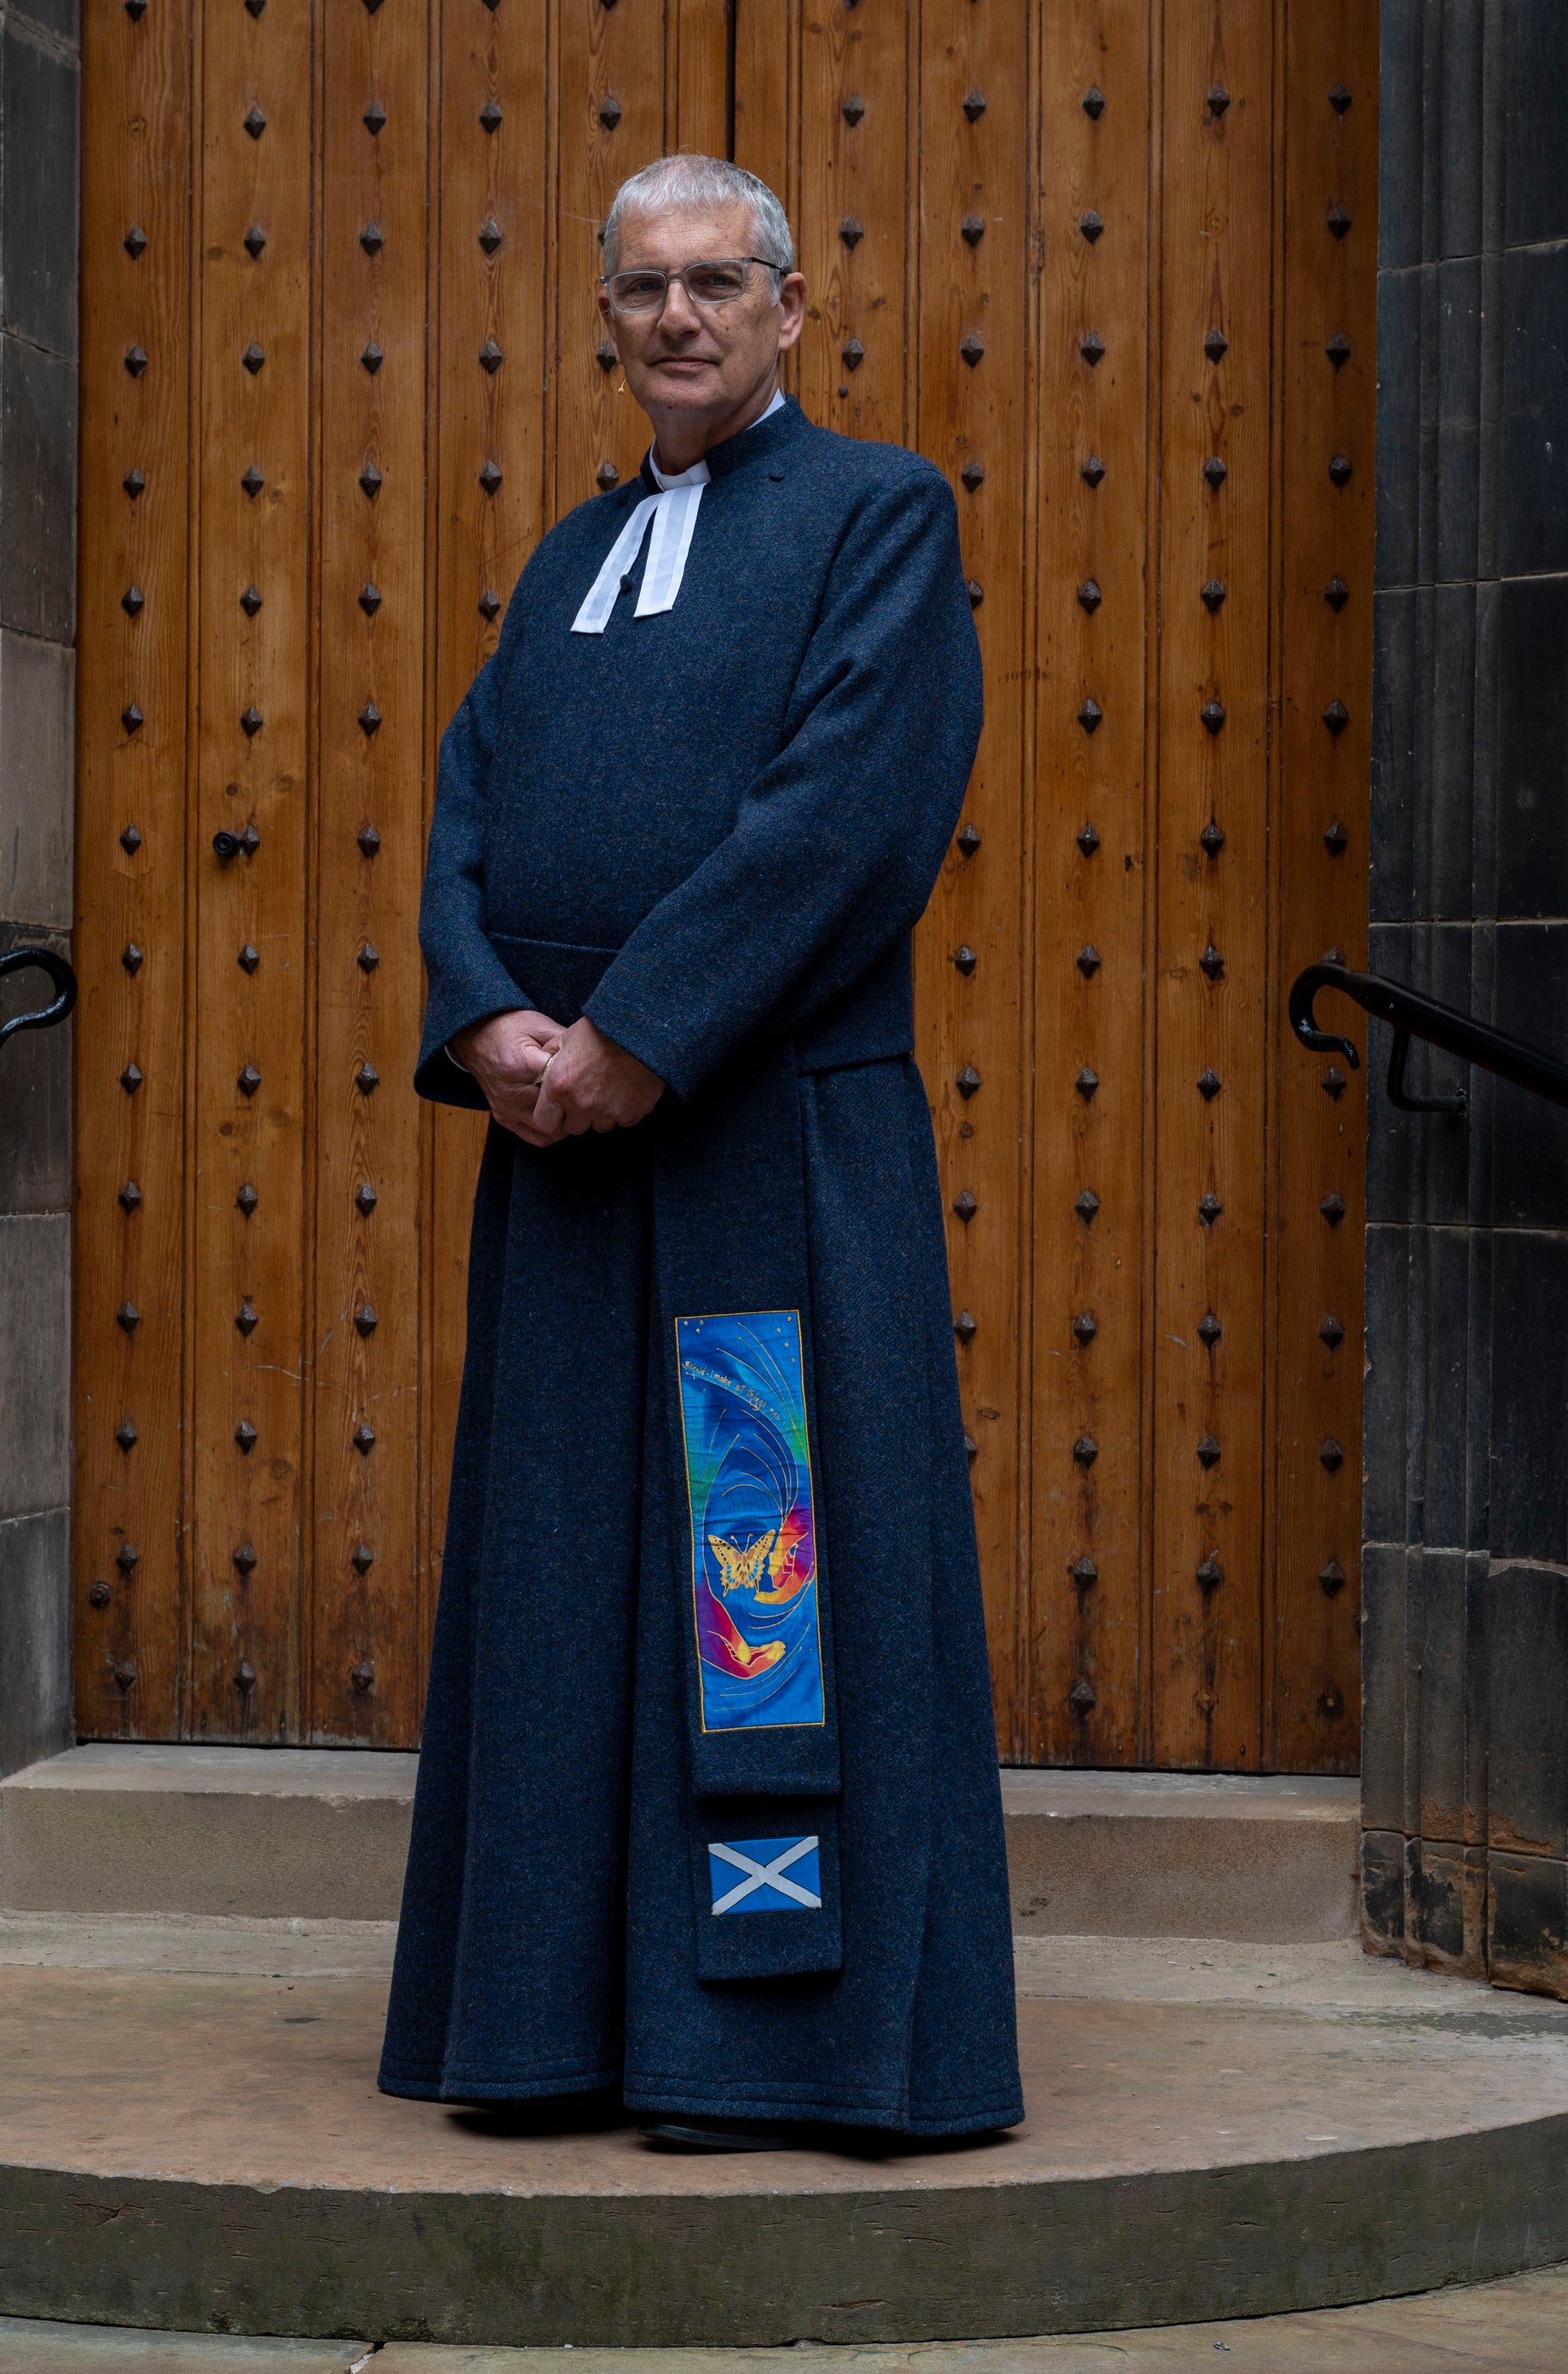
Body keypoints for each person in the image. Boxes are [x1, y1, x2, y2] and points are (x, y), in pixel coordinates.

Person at [378, 154, 1022, 2151]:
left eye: (714, 285)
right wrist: (484, 1012)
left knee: (769, 1589)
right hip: (566, 1154)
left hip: (766, 1160)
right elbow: (466, 790)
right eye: (641, 289)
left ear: (789, 307)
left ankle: (772, 2048)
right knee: (571, 1584)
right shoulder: (569, 552)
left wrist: (642, 1038)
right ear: (606, 313)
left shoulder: (874, 515)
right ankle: (554, 2023)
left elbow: (843, 816)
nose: (674, 318)